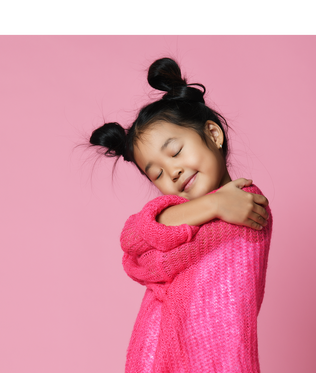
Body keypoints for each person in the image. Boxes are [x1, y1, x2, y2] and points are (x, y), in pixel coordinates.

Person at [89, 57, 273, 372]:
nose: (172, 172)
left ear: (213, 134)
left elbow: (147, 254)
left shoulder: (246, 203)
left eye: (175, 152)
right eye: (156, 173)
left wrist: (146, 255)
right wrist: (213, 205)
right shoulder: (208, 210)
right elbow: (130, 236)